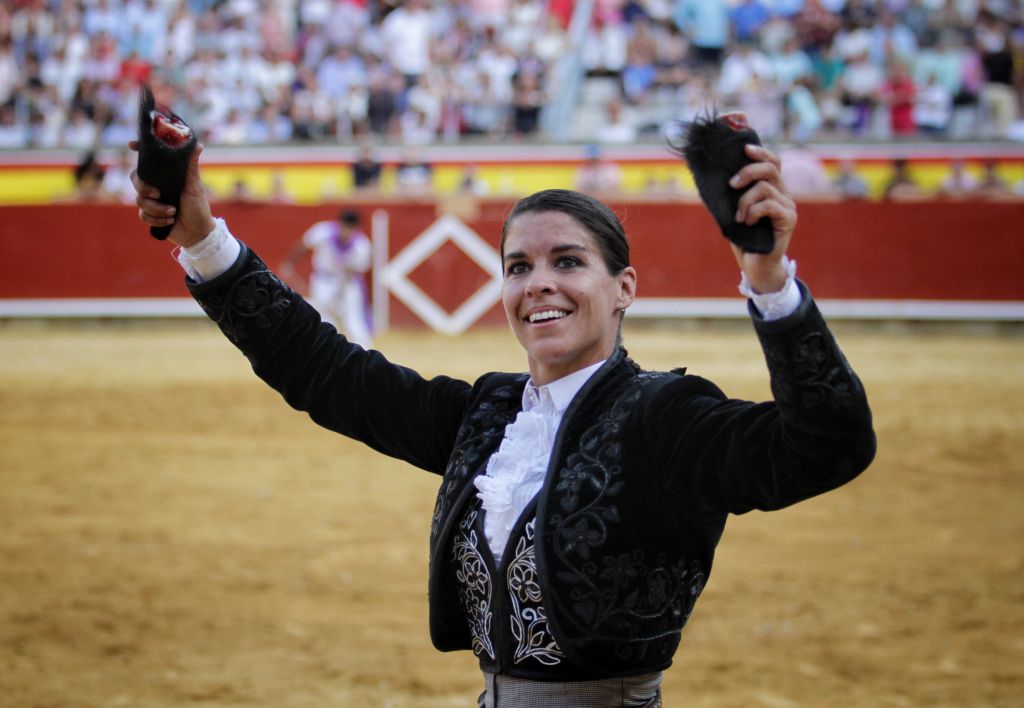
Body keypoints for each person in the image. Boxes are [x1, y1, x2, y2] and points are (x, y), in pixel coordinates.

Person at [130, 138, 875, 706]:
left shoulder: (667, 418)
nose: (539, 283)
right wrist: (201, 237)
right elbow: (325, 373)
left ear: (624, 289)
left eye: (567, 262)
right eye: (518, 267)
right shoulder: (487, 414)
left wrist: (771, 282)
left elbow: (827, 446)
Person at [279, 209, 374, 349]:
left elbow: (358, 270)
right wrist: (289, 263)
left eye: (350, 228)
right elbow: (304, 246)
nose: (346, 232)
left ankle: (365, 351)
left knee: (353, 319)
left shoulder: (361, 245)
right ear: (339, 224)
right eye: (344, 226)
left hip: (347, 283)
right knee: (323, 316)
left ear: (355, 228)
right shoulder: (323, 232)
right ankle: (328, 349)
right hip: (323, 280)